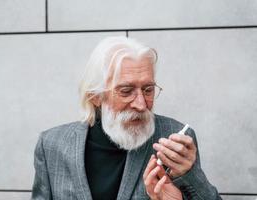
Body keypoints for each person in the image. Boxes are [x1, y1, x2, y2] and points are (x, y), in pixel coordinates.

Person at [31, 36, 222, 200]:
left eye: (148, 90)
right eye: (126, 91)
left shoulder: (175, 140)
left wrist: (190, 175)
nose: (141, 104)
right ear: (95, 96)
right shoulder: (51, 146)